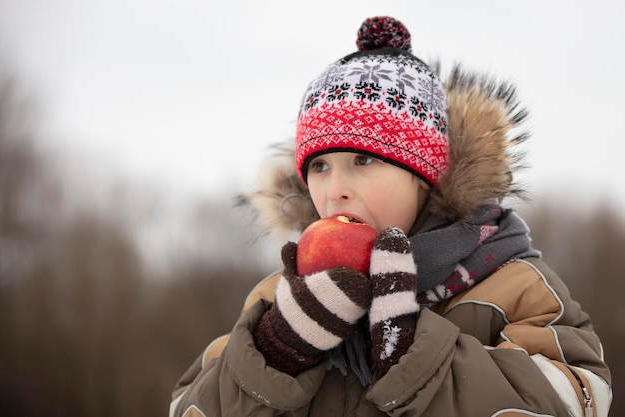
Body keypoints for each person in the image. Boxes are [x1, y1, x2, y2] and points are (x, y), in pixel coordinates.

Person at [169, 16, 612, 416]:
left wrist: (415, 357)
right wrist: (274, 356)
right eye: (319, 166)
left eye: (362, 160)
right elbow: (187, 407)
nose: (335, 188)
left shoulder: (512, 287)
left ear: (424, 173)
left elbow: (577, 399)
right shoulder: (282, 296)